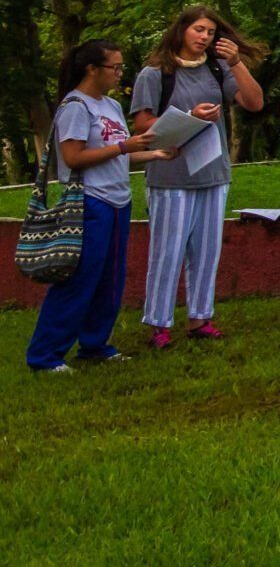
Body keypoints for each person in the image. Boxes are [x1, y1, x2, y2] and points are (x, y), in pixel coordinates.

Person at [129, 4, 266, 346]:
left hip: (212, 171)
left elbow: (254, 102)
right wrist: (188, 116)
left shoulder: (219, 69)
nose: (204, 37)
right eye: (198, 30)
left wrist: (236, 62)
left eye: (210, 32)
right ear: (181, 30)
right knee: (168, 251)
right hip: (171, 173)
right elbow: (142, 126)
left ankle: (199, 319)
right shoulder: (156, 72)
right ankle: (159, 325)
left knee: (206, 252)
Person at [27, 41, 169, 371]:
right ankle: (45, 356)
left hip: (118, 200)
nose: (120, 74)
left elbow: (121, 152)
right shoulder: (76, 106)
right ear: (92, 69)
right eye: (115, 68)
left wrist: (154, 154)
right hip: (90, 201)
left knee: (110, 278)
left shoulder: (110, 106)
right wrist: (123, 146)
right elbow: (74, 157)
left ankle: (94, 345)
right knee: (79, 279)